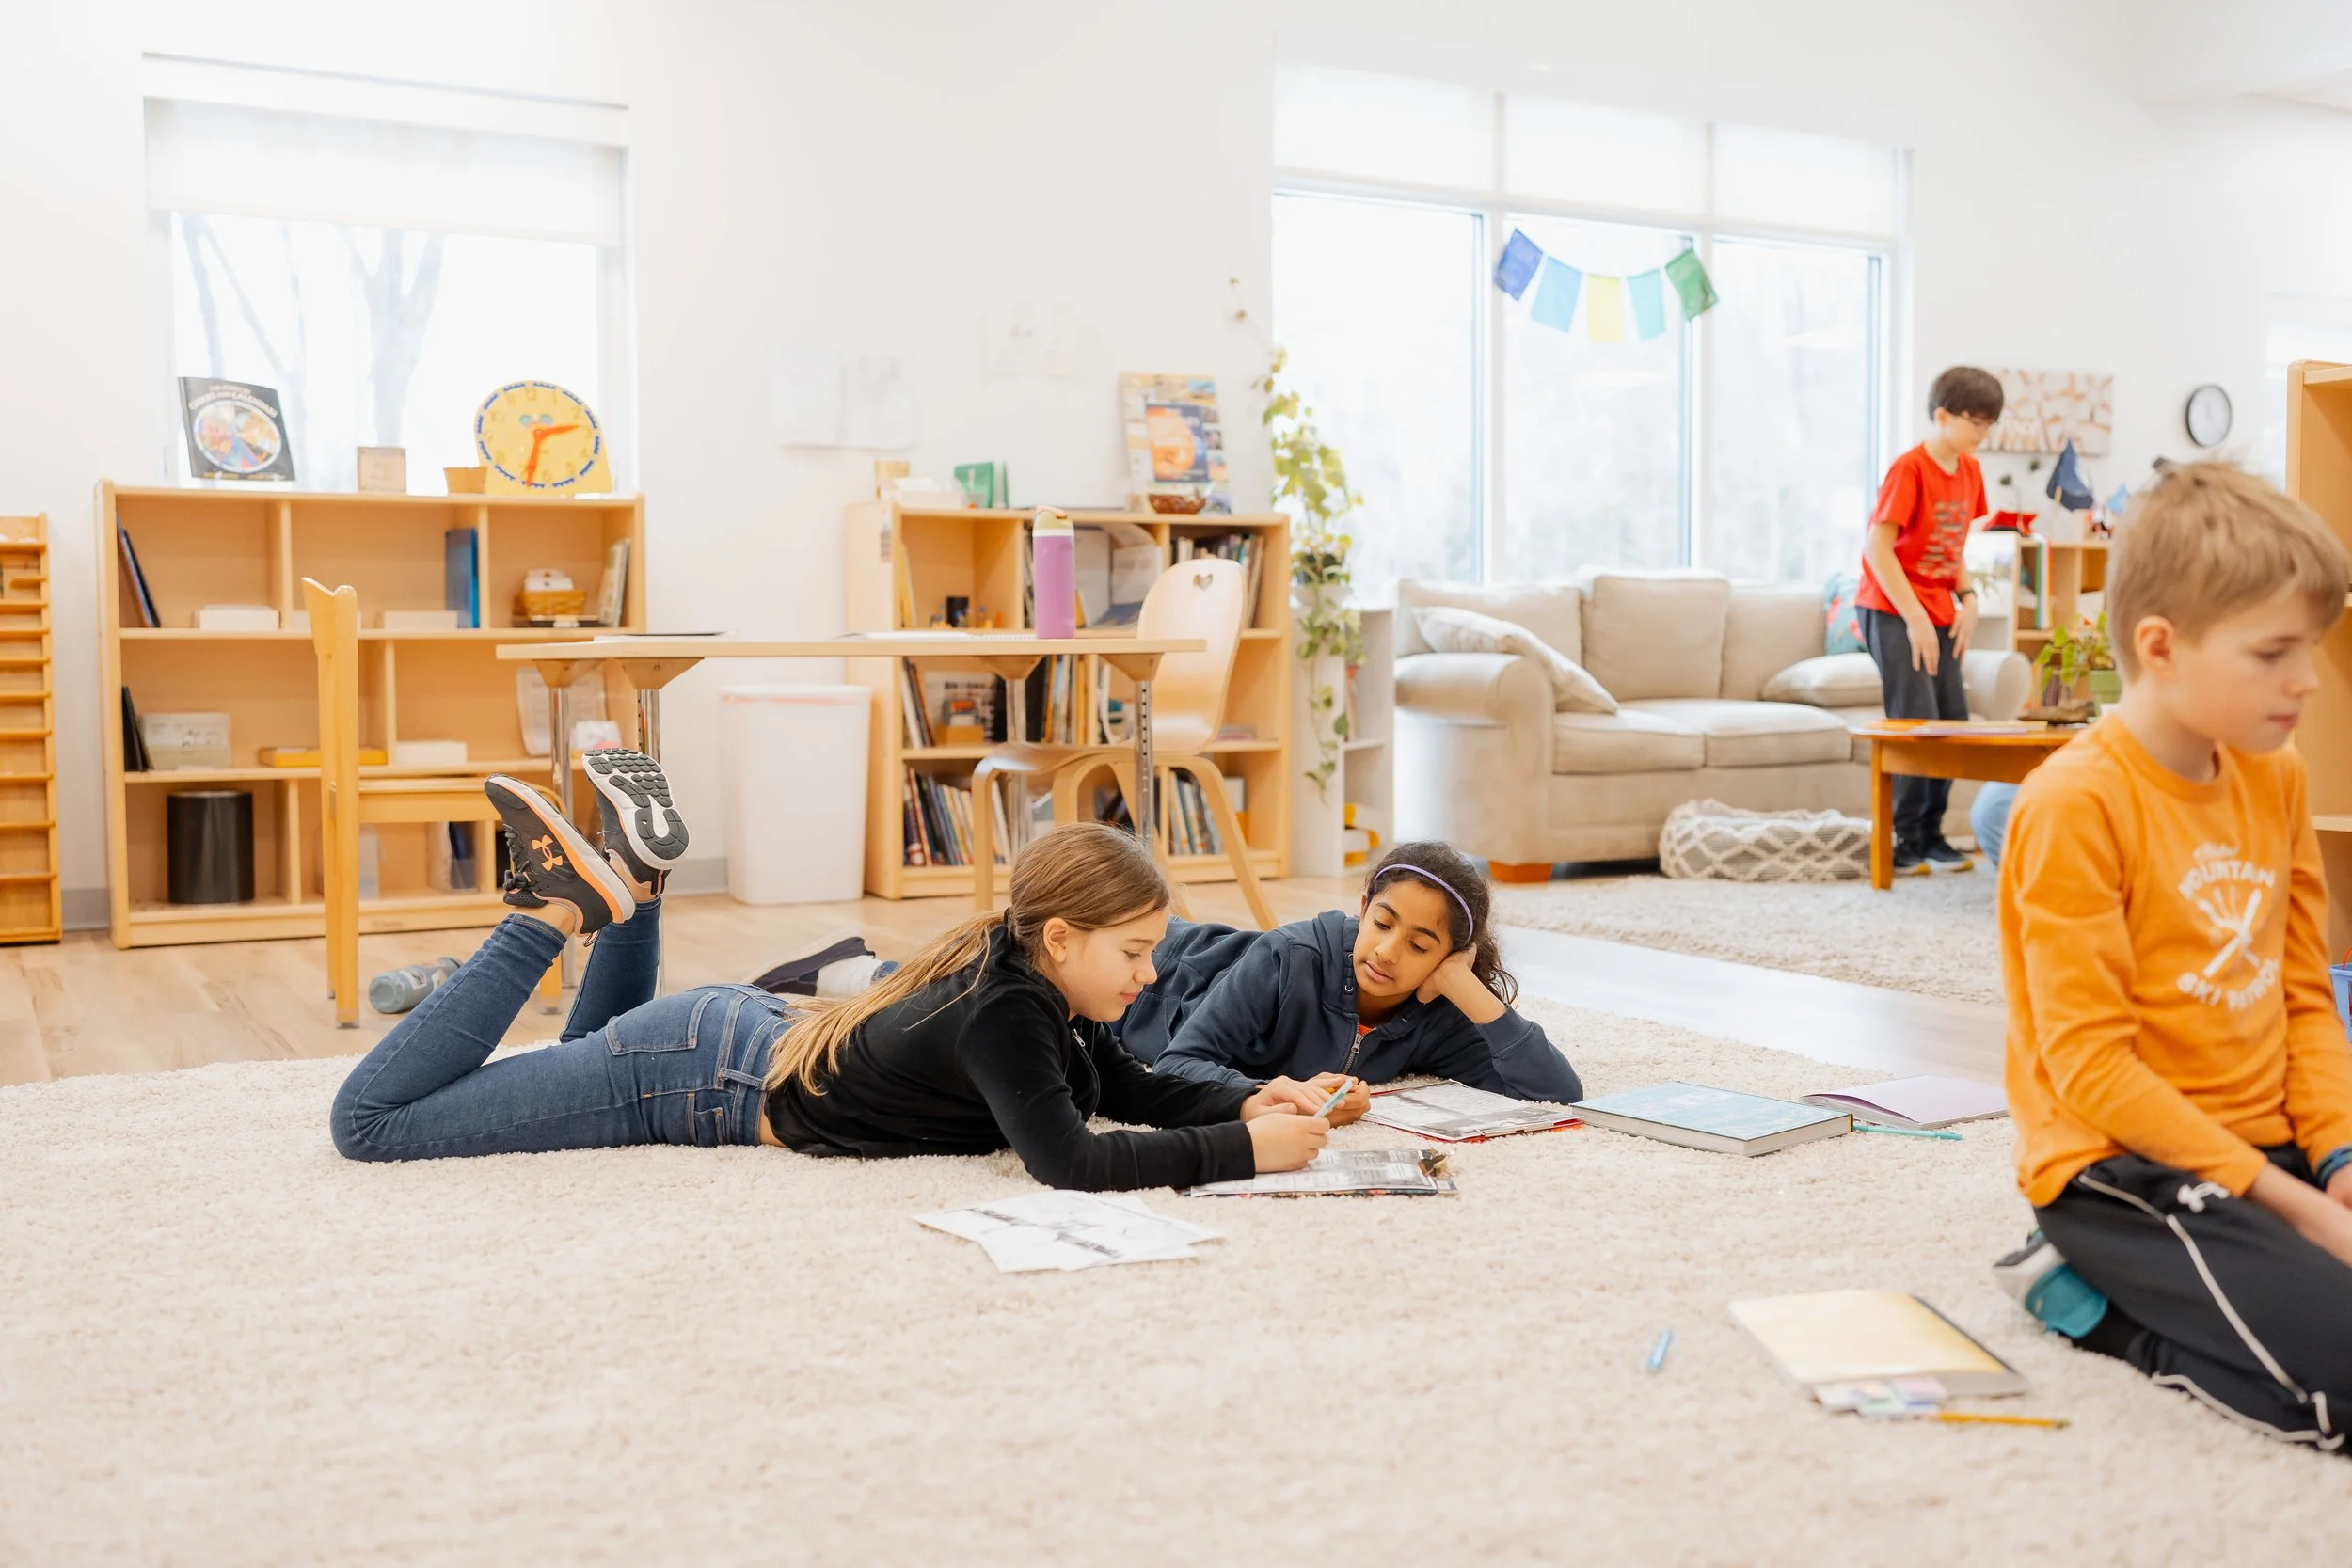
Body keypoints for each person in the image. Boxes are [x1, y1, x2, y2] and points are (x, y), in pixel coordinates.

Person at [330, 753, 1338, 1191]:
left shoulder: (1033, 974)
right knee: (371, 1123)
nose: (1154, 973)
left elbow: (1128, 1087)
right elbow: (1070, 1161)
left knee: (568, 1063)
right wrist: (1243, 1154)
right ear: (1065, 936)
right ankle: (555, 908)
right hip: (691, 1070)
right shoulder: (1009, 1014)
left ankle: (637, 878)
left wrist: (1250, 1101)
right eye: (1135, 951)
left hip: (717, 1039)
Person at [1991, 463, 2352, 1451]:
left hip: (2266, 1143)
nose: (2307, 680)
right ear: (2160, 646)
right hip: (2123, 1164)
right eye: (2273, 652)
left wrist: (2337, 1157)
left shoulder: (2274, 774)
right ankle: (2101, 1310)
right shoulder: (2075, 802)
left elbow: (2305, 997)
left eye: (2309, 647)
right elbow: (2090, 1067)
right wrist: (2297, 1208)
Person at [1115, 842, 1582, 1120]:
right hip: (1152, 968)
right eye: (1382, 924)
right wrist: (1279, 1095)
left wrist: (1467, 988)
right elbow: (1178, 1063)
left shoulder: (1438, 1013)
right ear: (1362, 910)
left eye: (1420, 946)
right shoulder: (1289, 957)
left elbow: (1557, 1092)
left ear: (1449, 958)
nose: (1386, 951)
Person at [1858, 365, 2002, 876]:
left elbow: (1953, 548)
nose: (1982, 435)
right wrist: (1915, 617)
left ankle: (1931, 835)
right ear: (1943, 416)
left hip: (1938, 605)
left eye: (1989, 425)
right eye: (1976, 423)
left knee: (1952, 723)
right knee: (1915, 720)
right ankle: (1903, 839)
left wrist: (1970, 600)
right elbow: (1878, 549)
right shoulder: (1910, 469)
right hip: (1890, 605)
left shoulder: (1969, 472)